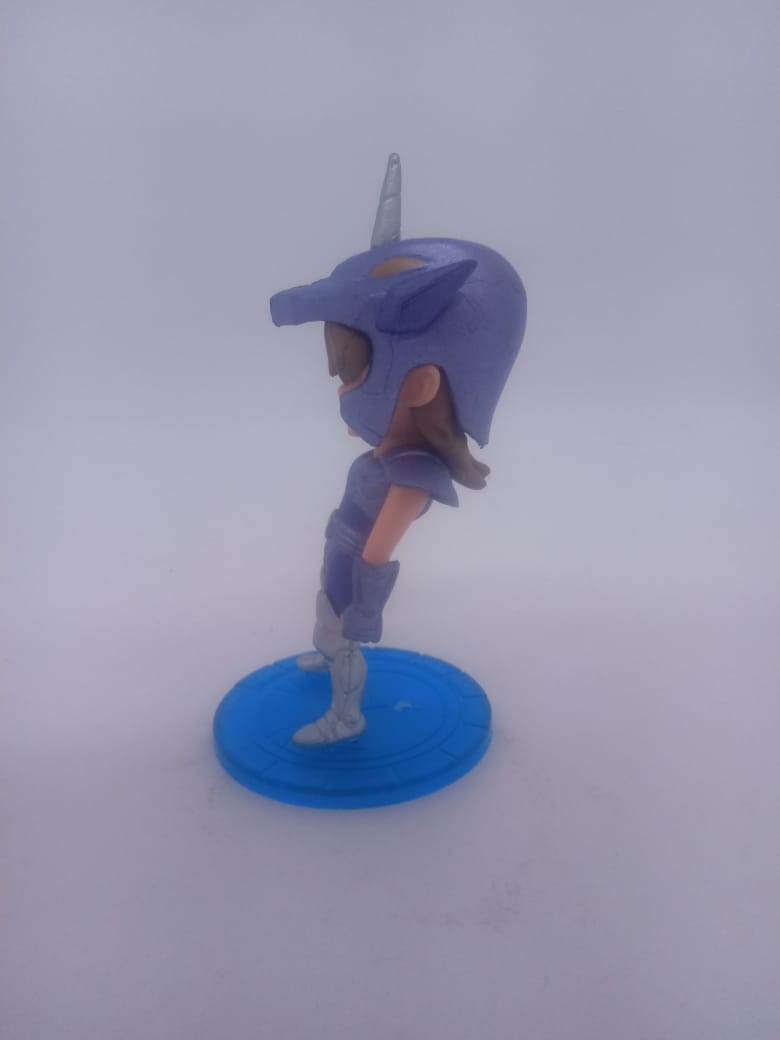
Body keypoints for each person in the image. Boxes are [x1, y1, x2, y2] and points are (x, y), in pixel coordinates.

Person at [270, 155, 527, 746]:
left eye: (349, 372)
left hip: (359, 565)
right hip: (341, 547)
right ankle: (328, 648)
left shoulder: (412, 474)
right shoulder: (389, 451)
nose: (341, 390)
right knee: (324, 615)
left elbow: (381, 547)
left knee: (343, 636)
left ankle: (346, 715)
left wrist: (365, 604)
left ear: (418, 384)